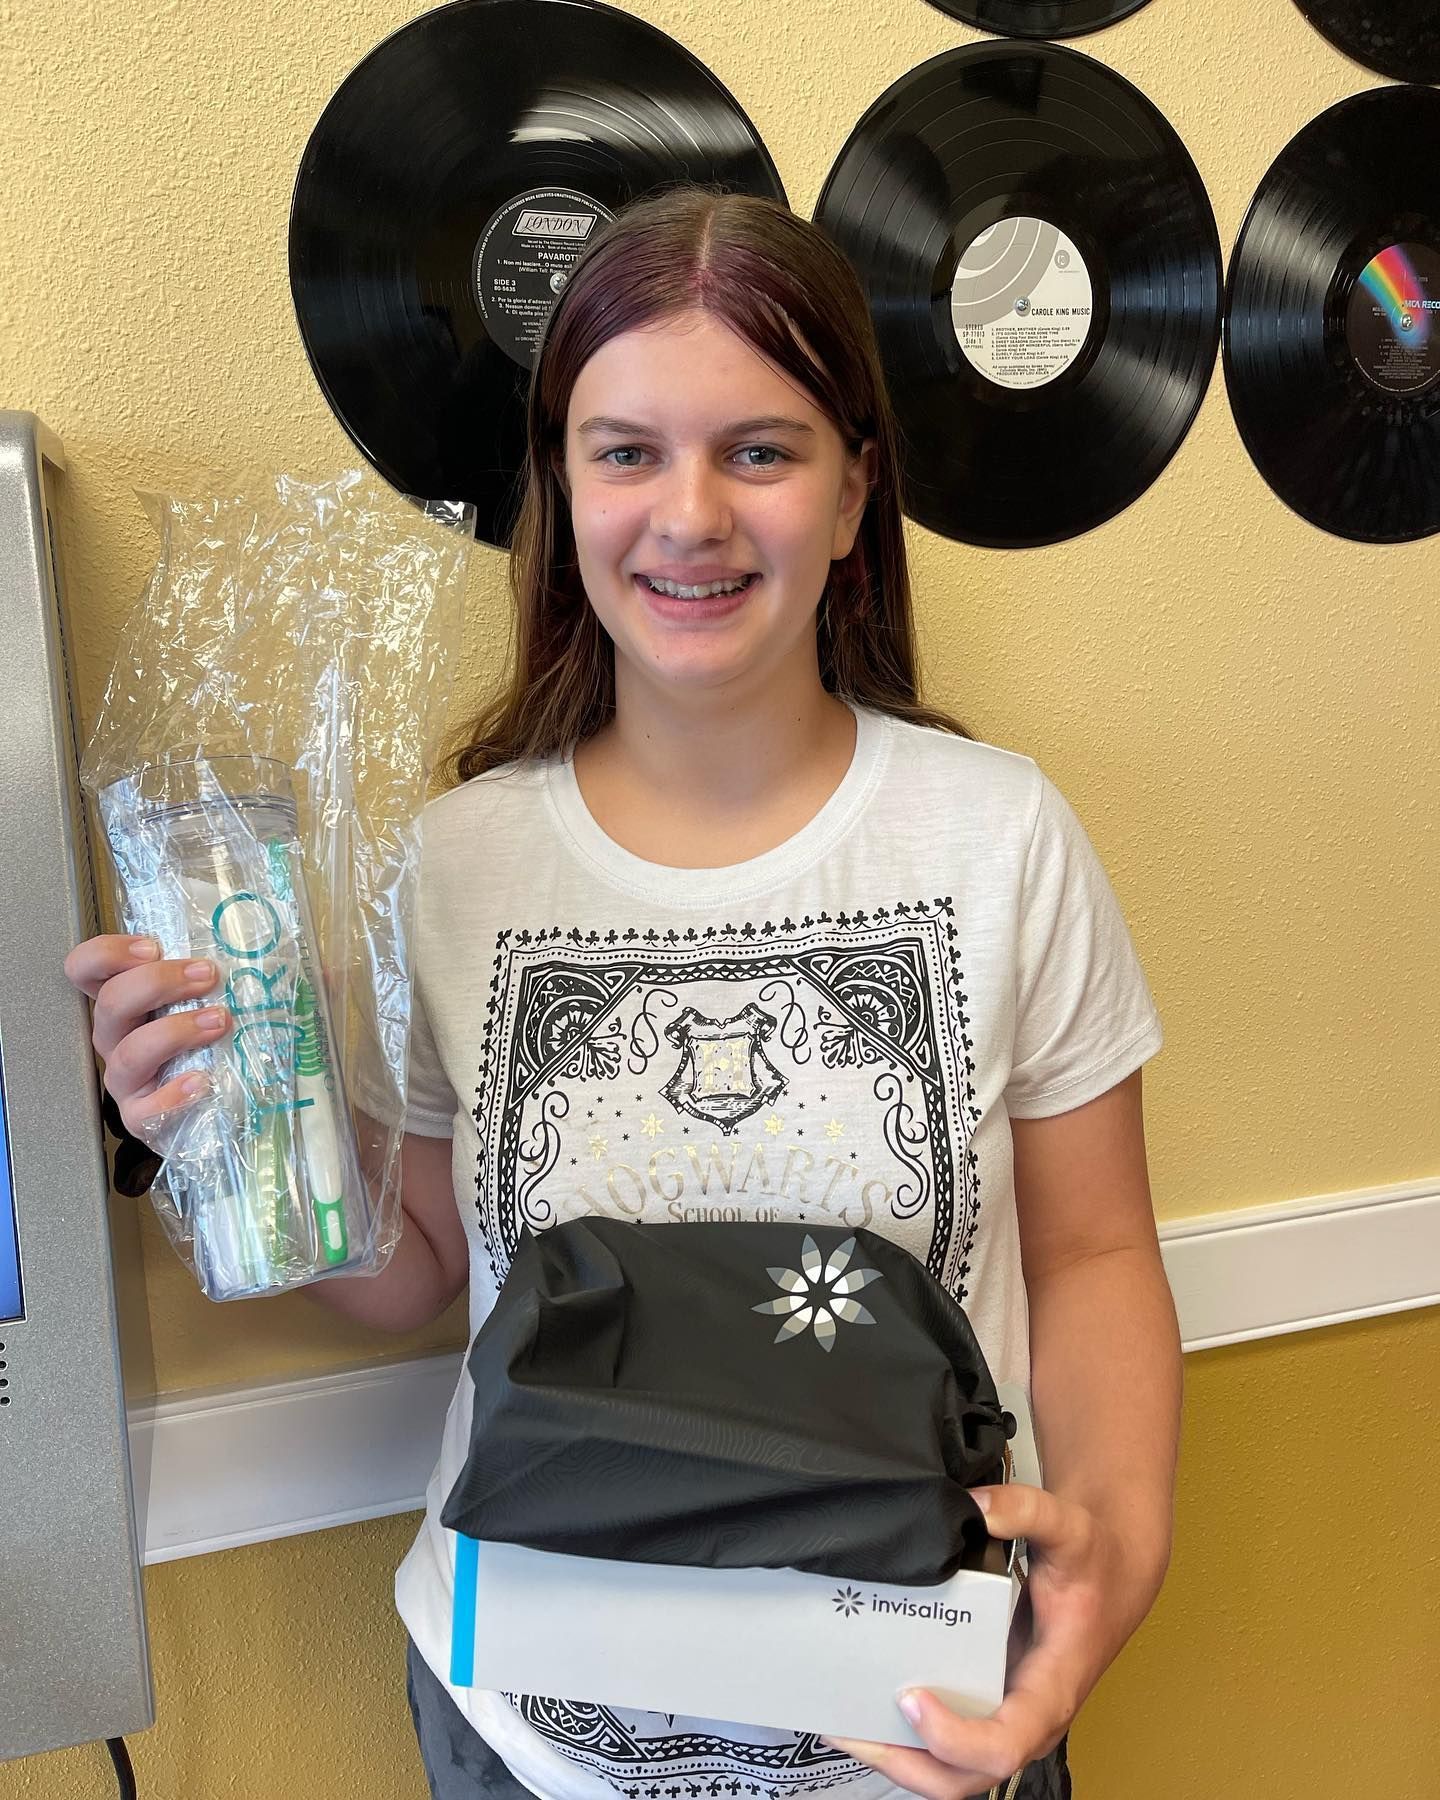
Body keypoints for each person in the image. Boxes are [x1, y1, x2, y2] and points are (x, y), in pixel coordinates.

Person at [65, 186, 1182, 1800]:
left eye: (761, 449)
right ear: (560, 492)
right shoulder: (451, 867)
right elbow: (431, 1268)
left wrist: (1108, 1583)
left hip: (922, 1737)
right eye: (627, 450)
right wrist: (221, 1123)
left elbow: (1090, 1257)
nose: (690, 518)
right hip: (524, 1736)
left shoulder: (1000, 835)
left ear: (858, 492)